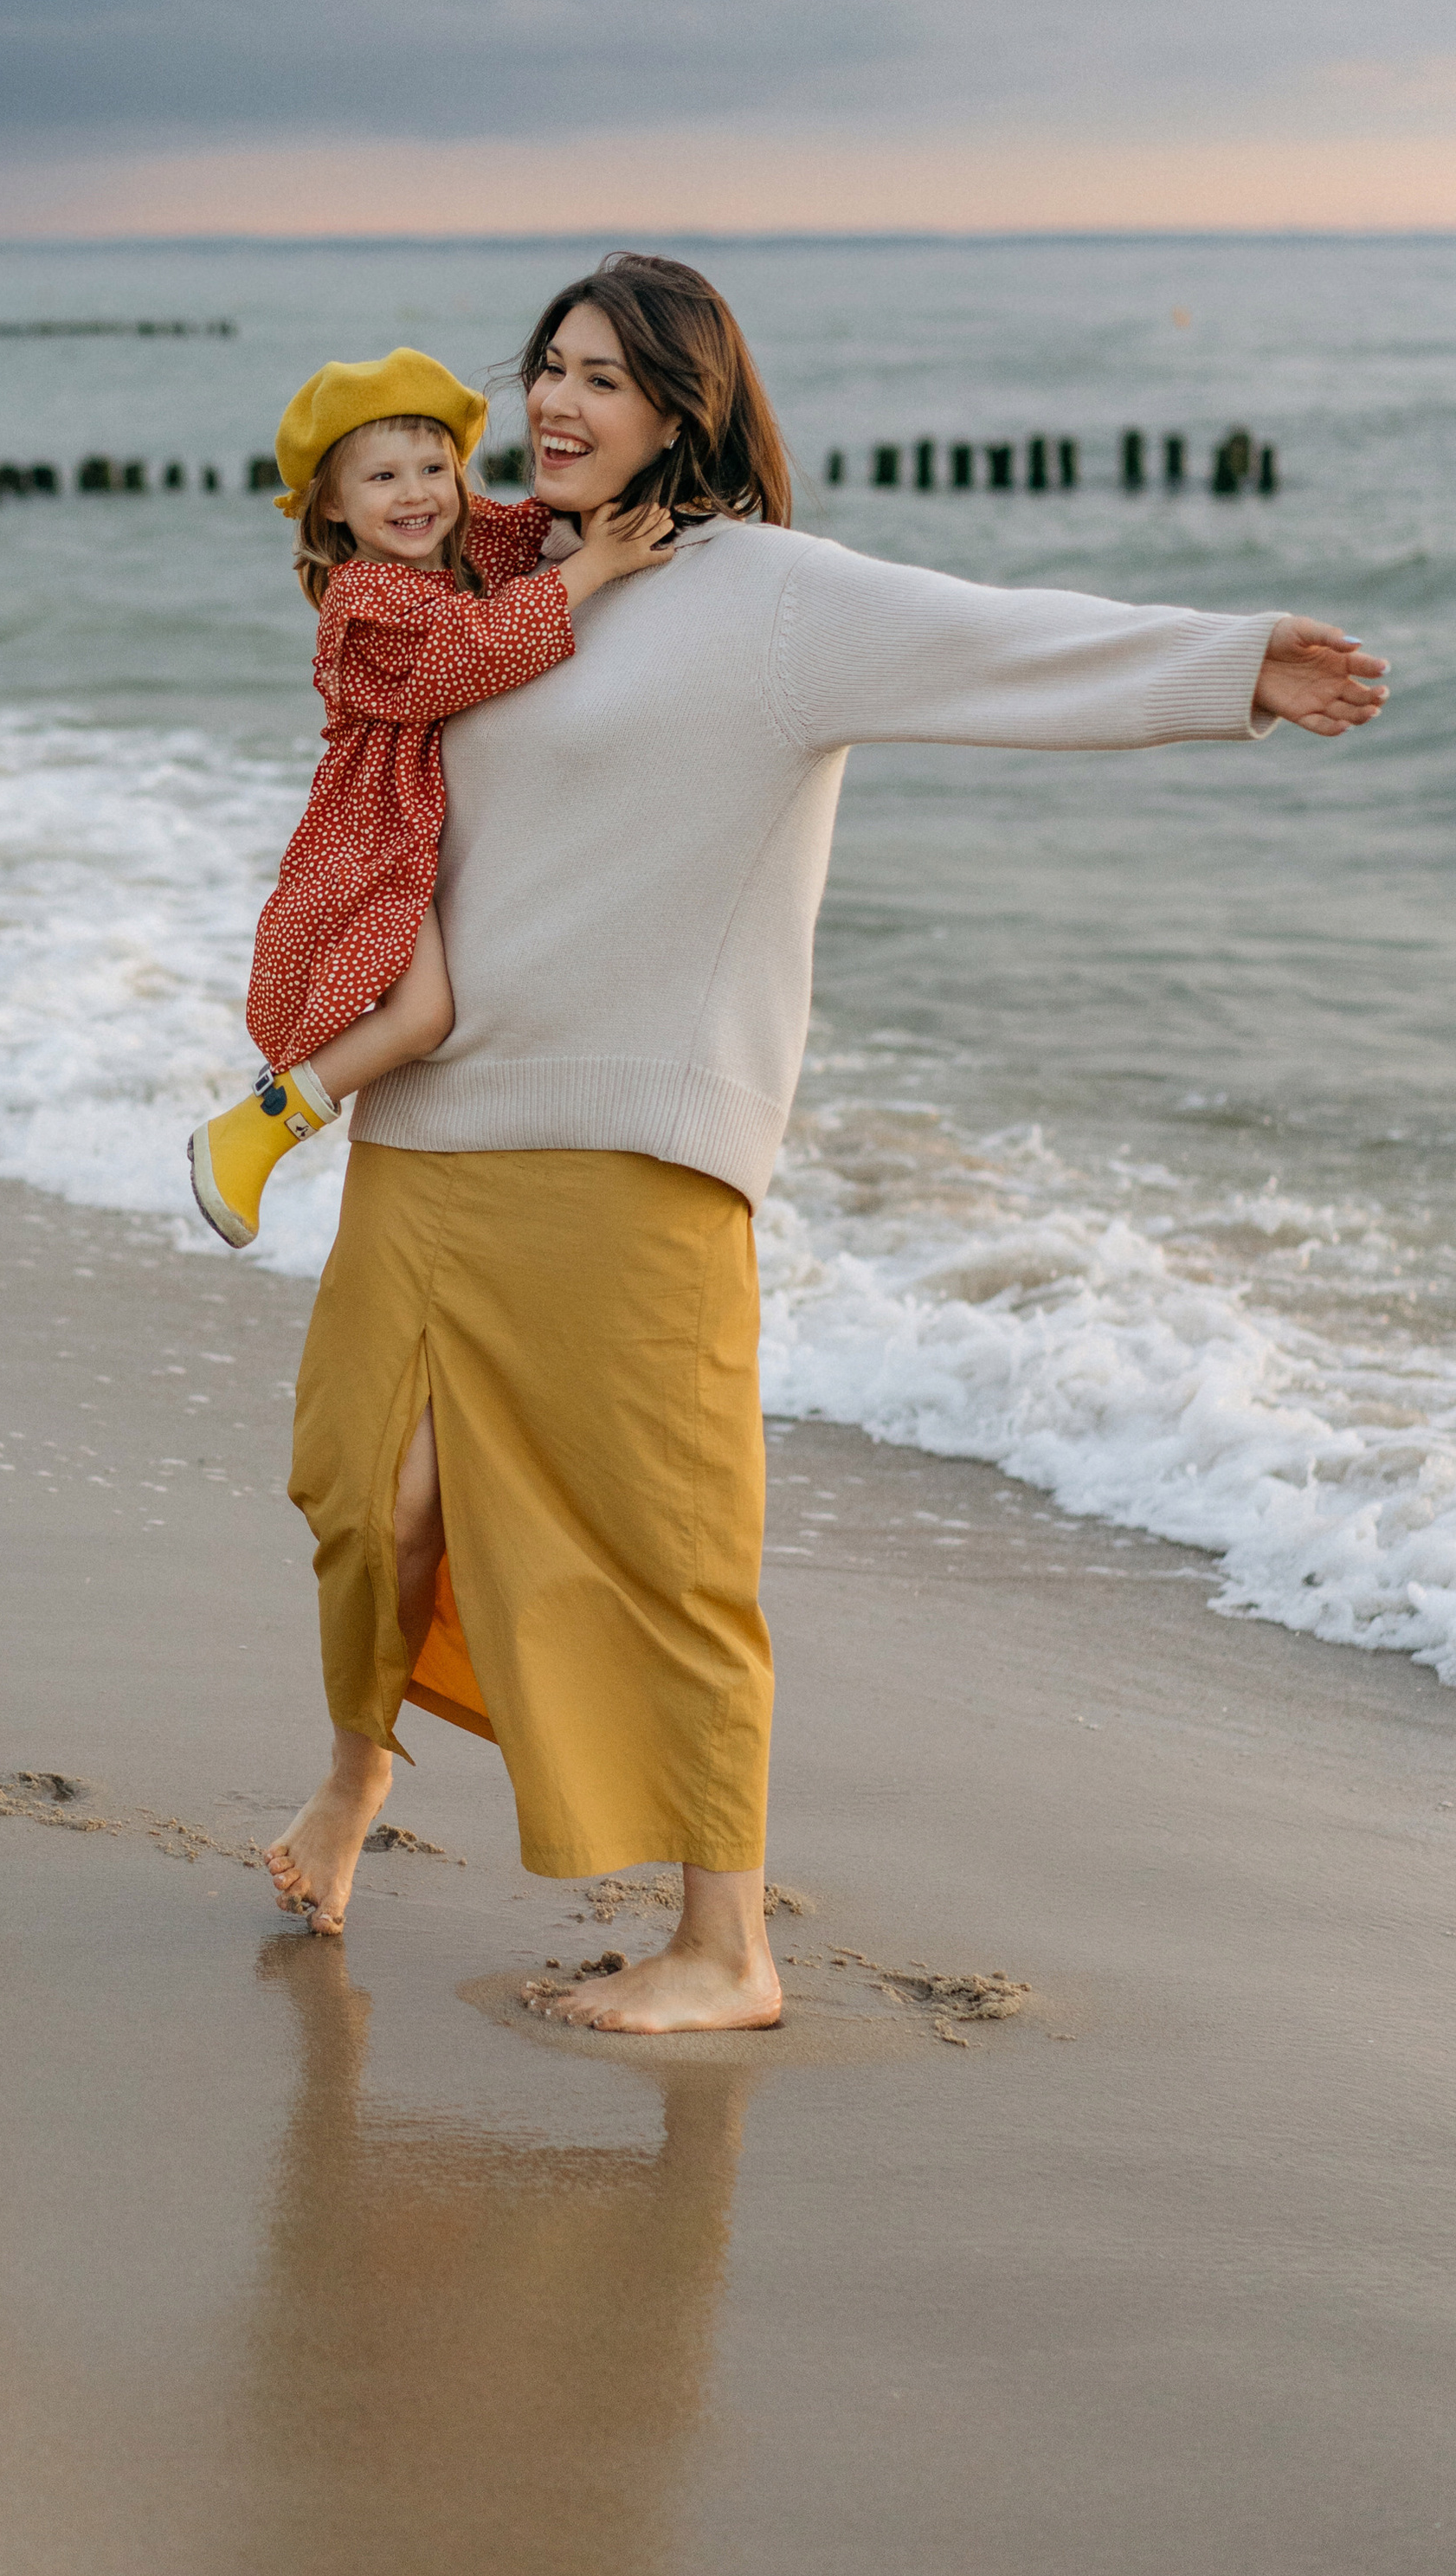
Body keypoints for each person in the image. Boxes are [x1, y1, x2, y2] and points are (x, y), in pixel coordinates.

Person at [262, 252, 1389, 2029]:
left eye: (603, 381)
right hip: (426, 1127)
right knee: (362, 1498)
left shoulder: (769, 597)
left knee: (666, 1537)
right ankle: (355, 1779)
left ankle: (724, 1947)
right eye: (544, 368)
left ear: (681, 412)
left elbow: (994, 639)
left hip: (631, 1138)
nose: (553, 406)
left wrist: (1233, 665)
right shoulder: (495, 580)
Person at [189, 346, 671, 1249]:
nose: (415, 495)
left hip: (420, 815)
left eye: (432, 469)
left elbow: (520, 532)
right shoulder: (363, 598)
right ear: (331, 503)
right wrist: (597, 569)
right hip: (374, 824)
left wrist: (624, 492)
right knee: (423, 1015)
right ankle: (251, 1129)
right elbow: (474, 650)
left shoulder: (451, 547)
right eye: (381, 477)